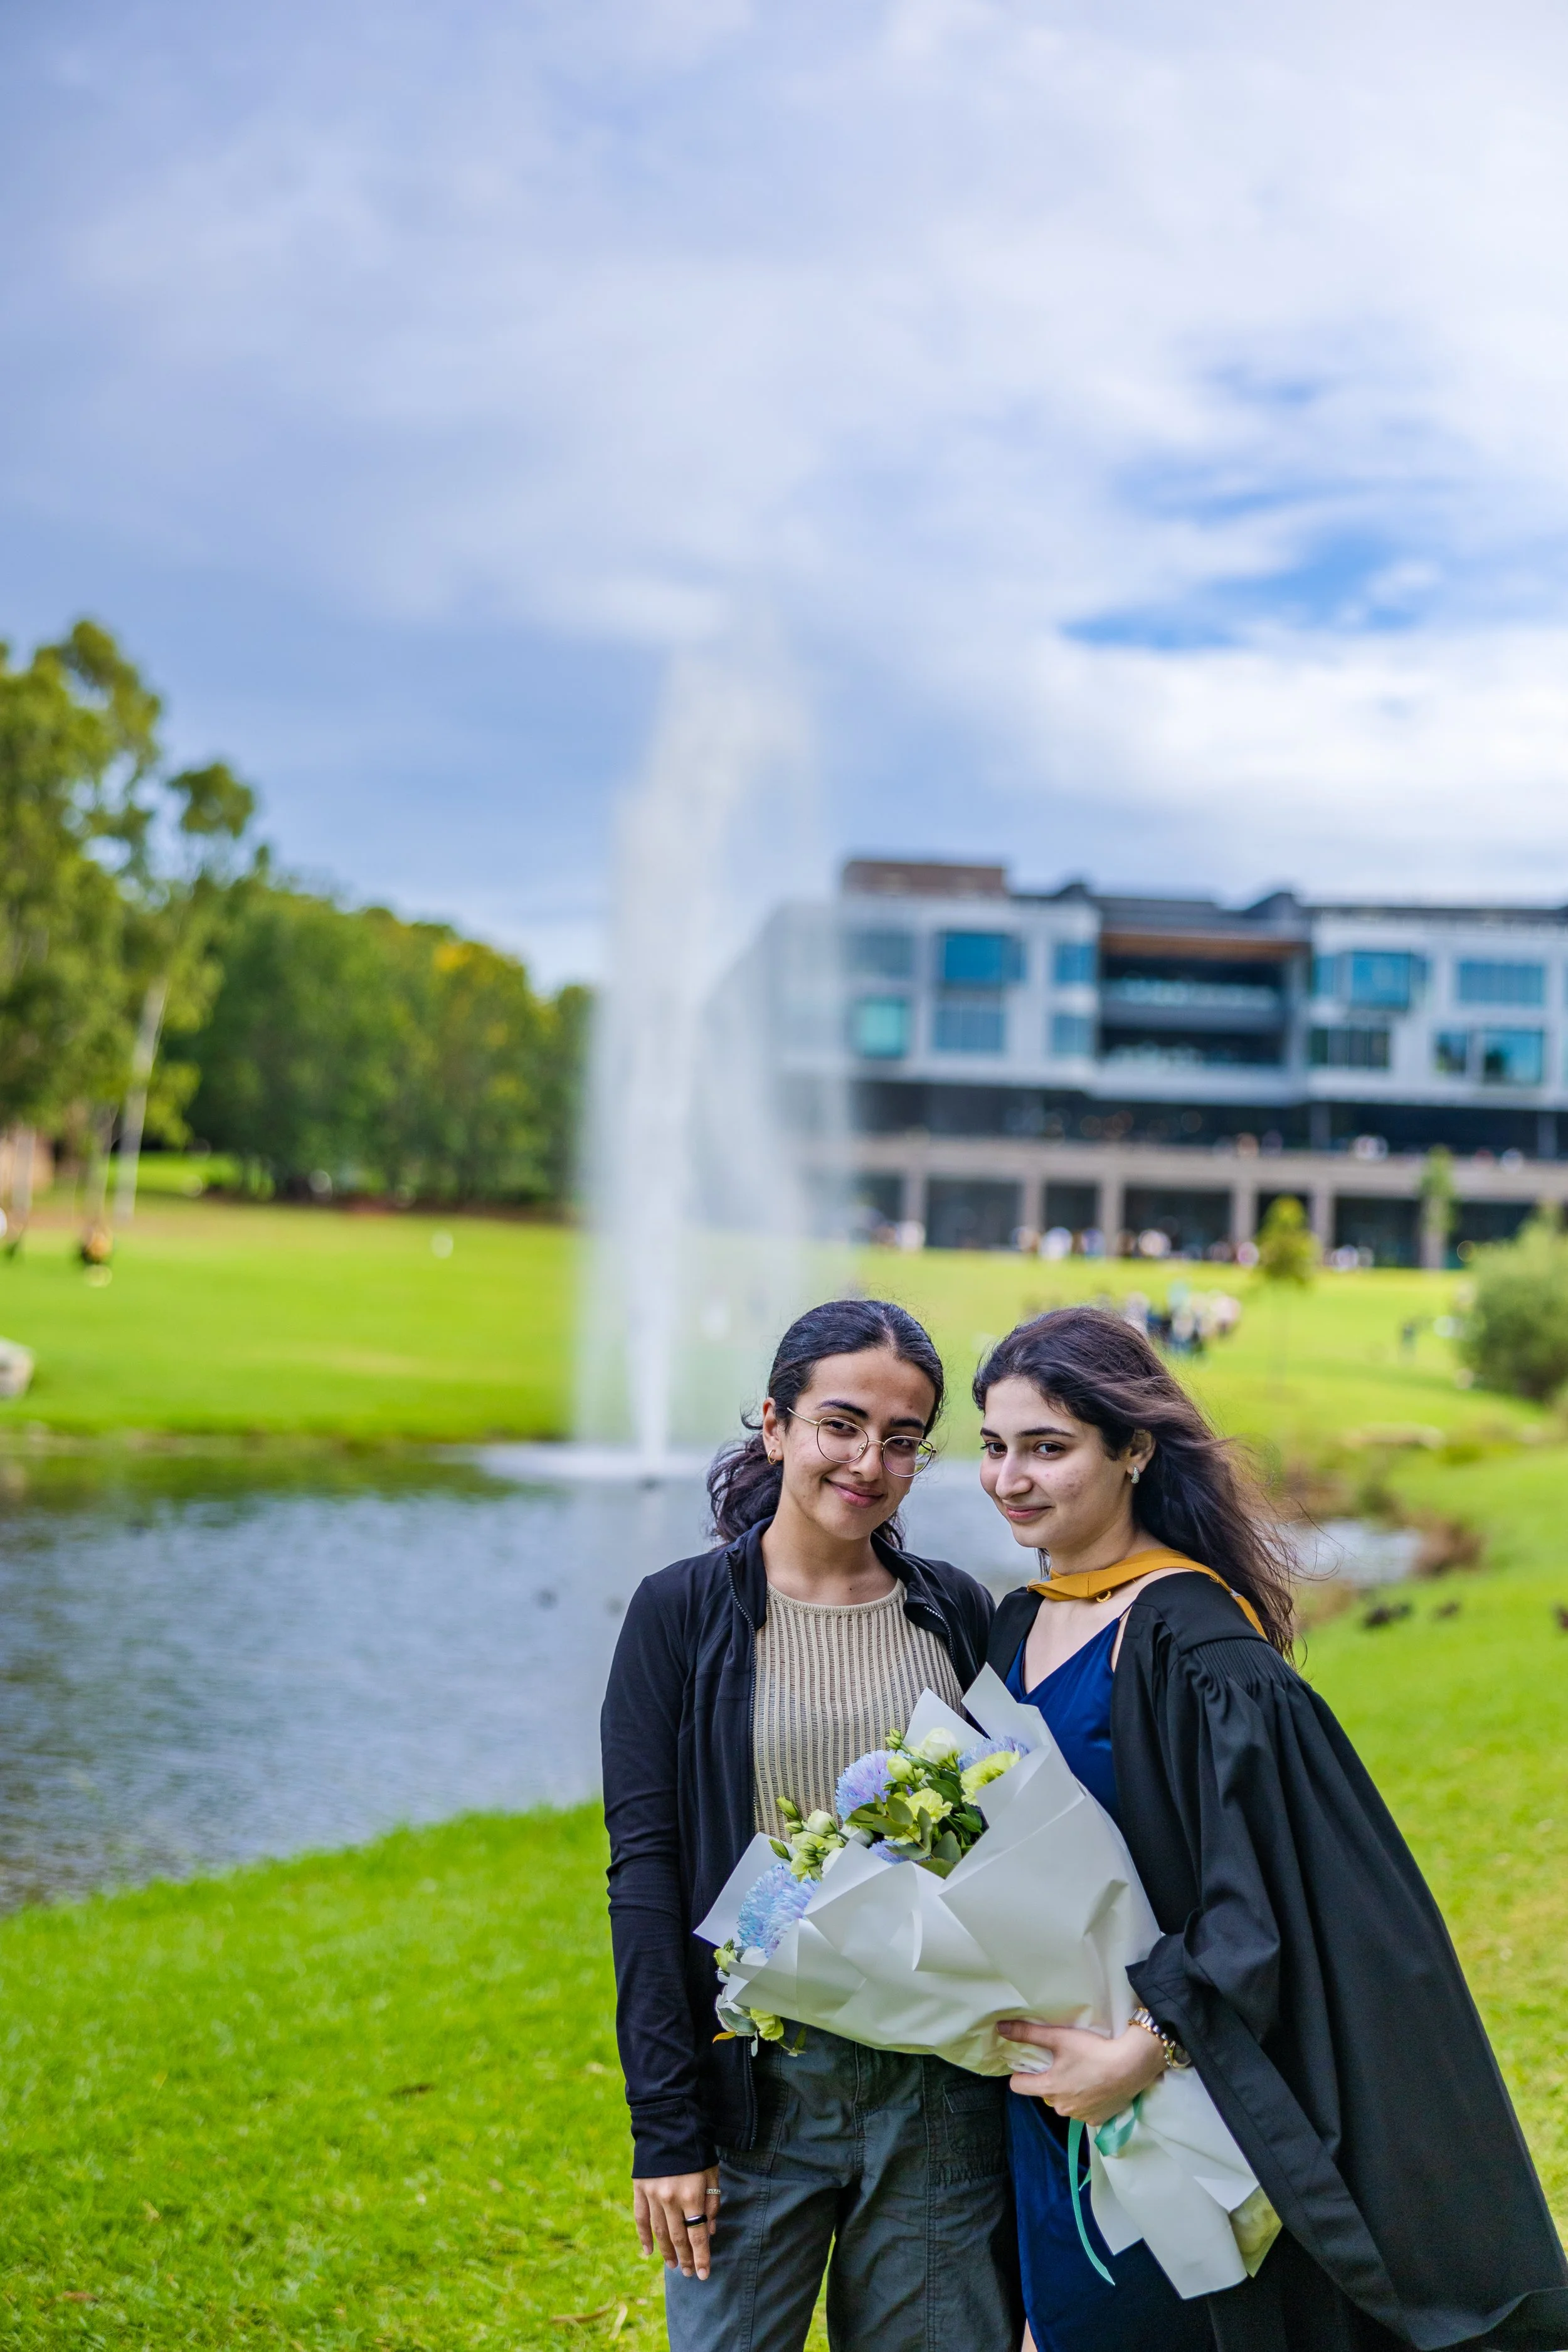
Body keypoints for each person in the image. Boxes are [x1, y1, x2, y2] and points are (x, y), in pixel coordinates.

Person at [975, 1303, 1568, 2352]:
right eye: (994, 1446)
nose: (1011, 1477)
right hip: (1049, 2086)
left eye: (1048, 1448)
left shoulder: (1198, 1642)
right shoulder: (1020, 1622)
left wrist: (1142, 2048)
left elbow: (1260, 1899)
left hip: (1171, 2091)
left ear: (1134, 1450)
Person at [601, 1298, 1017, 2352]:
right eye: (841, 1423)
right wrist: (666, 2131)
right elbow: (646, 1878)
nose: (870, 1460)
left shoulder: (957, 1612)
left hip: (939, 2101)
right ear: (777, 1424)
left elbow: (1015, 1848)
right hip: (756, 2096)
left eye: (904, 1439)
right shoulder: (680, 1614)